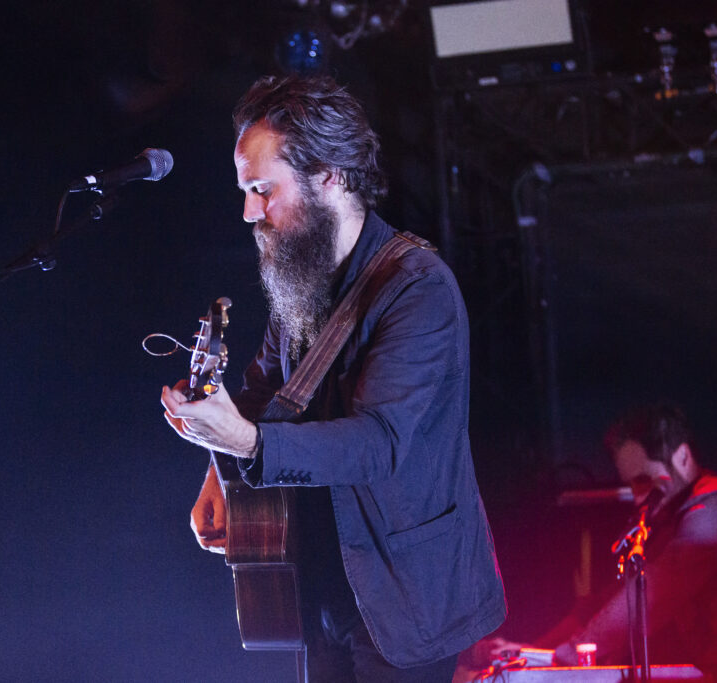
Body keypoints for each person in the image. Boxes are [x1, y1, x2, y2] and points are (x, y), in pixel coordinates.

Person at [160, 74, 506, 681]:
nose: (248, 211)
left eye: (263, 189)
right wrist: (217, 460)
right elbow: (264, 396)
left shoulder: (418, 289)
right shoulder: (302, 280)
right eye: (245, 191)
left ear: (331, 175)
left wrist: (242, 444)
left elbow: (378, 443)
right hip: (320, 585)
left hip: (405, 598)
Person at [488, 403, 717, 681]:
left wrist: (564, 655)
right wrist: (534, 653)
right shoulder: (676, 519)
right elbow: (611, 600)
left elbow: (650, 596)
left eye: (645, 480)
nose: (637, 497)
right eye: (632, 484)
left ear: (682, 457)